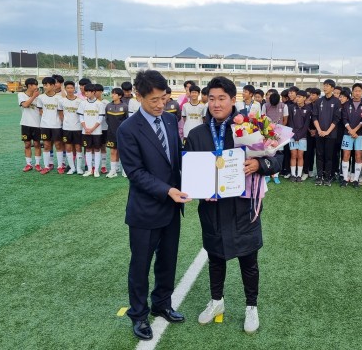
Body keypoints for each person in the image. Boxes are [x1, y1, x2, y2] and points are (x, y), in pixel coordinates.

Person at [184, 76, 280, 335]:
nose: (216, 104)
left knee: (248, 260)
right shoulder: (197, 134)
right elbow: (189, 171)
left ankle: (251, 306)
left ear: (232, 99)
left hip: (243, 207)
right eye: (211, 98)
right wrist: (197, 190)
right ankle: (217, 301)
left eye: (221, 98)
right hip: (212, 208)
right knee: (215, 257)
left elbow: (276, 159)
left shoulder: (250, 128)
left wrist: (259, 164)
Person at [117, 70, 188, 341]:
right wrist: (167, 190)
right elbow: (135, 173)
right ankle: (138, 314)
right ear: (138, 96)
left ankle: (162, 304)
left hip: (171, 208)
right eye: (154, 100)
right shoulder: (128, 129)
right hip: (145, 210)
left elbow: (176, 160)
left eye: (164, 98)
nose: (160, 104)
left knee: (167, 262)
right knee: (140, 265)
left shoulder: (170, 121)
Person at [312, 79, 342, 186]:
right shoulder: (319, 101)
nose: (325, 87)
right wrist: (319, 130)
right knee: (319, 155)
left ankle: (328, 176)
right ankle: (319, 176)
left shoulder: (337, 102)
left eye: (327, 86)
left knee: (329, 156)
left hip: (331, 134)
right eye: (324, 85)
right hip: (319, 133)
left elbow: (336, 119)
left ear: (332, 88)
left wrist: (327, 131)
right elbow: (314, 117)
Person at [37, 77, 65, 174]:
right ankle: (46, 166)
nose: (45, 87)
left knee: (58, 145)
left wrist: (61, 123)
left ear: (53, 85)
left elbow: (61, 113)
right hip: (45, 126)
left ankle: (60, 166)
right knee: (46, 145)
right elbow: (40, 111)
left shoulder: (59, 98)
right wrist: (46, 119)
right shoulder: (41, 98)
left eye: (47, 85)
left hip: (57, 126)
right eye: (44, 85)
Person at [77, 85, 104, 178]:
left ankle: (96, 170)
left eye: (88, 91)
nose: (86, 93)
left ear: (93, 92)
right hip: (85, 131)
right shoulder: (82, 103)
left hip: (97, 131)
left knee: (97, 149)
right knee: (87, 149)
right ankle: (89, 170)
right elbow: (81, 117)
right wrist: (85, 128)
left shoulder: (100, 104)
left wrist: (92, 129)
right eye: (85, 91)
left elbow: (100, 118)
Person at [58, 80, 84, 175]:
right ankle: (72, 168)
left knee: (78, 147)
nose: (70, 90)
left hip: (78, 128)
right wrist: (65, 123)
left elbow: (82, 115)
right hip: (66, 128)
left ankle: (79, 168)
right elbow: (61, 114)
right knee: (68, 148)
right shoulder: (62, 101)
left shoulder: (80, 101)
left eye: (71, 88)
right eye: (68, 88)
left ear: (74, 89)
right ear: (65, 89)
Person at [18, 78, 41, 171]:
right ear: (29, 86)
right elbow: (25, 105)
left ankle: (38, 164)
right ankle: (28, 164)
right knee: (27, 144)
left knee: (37, 144)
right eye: (35, 85)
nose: (36, 87)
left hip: (37, 124)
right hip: (25, 124)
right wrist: (34, 97)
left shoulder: (40, 97)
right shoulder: (21, 95)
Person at [105, 88, 129, 178]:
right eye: (112, 93)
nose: (112, 95)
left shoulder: (125, 106)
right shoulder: (108, 106)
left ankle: (125, 170)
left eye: (115, 94)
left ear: (119, 96)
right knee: (112, 152)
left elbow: (127, 119)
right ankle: (113, 171)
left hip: (122, 134)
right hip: (111, 133)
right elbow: (107, 119)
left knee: (123, 152)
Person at [288, 90, 311, 182]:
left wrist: (300, 136)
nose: (297, 98)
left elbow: (306, 125)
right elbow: (290, 122)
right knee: (293, 155)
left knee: (300, 155)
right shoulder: (291, 107)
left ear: (304, 98)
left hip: (303, 136)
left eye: (300, 97)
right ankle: (293, 175)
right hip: (293, 135)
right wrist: (295, 135)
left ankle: (299, 175)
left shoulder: (308, 109)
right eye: (297, 96)